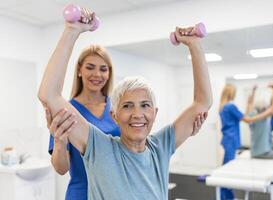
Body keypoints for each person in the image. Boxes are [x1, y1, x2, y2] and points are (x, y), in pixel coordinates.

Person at [38, 9, 212, 200]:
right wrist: (72, 30)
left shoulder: (161, 145)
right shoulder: (100, 146)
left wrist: (195, 45)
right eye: (128, 106)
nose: (137, 113)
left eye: (145, 105)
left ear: (155, 113)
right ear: (114, 115)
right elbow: (49, 94)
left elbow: (202, 103)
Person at [45, 43, 121, 200]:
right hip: (82, 194)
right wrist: (59, 141)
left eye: (103, 69)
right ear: (79, 70)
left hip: (116, 193)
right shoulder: (66, 110)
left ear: (109, 73)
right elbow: (61, 169)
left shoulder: (118, 107)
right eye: (90, 67)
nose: (97, 74)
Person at [218, 84, 273, 200]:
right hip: (231, 140)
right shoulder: (230, 106)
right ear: (231, 93)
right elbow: (247, 119)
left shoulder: (223, 107)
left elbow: (247, 112)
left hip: (228, 139)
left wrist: (252, 93)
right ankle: (226, 198)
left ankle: (228, 196)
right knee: (227, 171)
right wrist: (265, 115)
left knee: (226, 169)